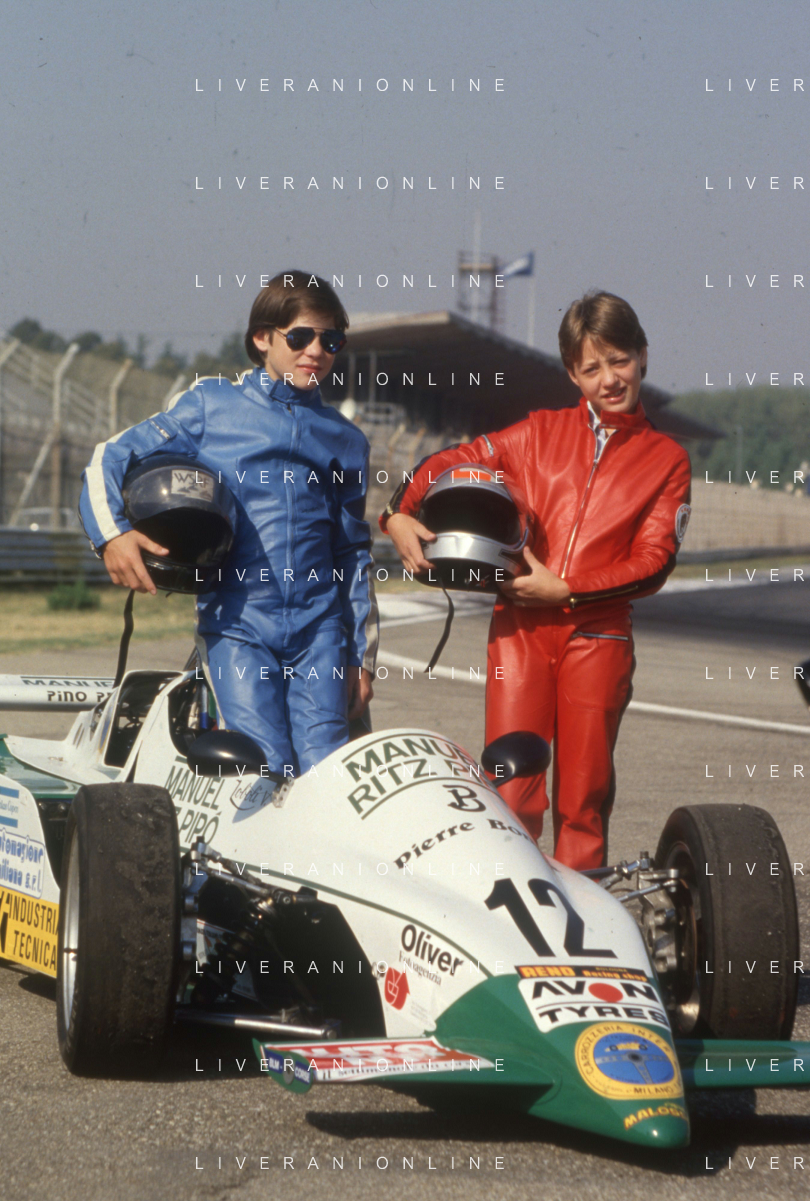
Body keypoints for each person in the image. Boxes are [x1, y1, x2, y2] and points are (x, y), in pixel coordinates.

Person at [381, 292, 691, 870]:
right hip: (520, 631)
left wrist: (568, 591)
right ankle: (511, 901)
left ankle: (581, 912)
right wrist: (398, 512)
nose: (609, 379)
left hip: (597, 637)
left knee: (582, 798)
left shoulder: (667, 458)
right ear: (573, 373)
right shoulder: (537, 433)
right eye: (592, 368)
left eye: (619, 360)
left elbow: (655, 561)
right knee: (510, 785)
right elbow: (457, 458)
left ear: (643, 356)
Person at [79, 270, 377, 777]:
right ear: (262, 338)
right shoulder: (211, 407)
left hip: (321, 631)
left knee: (325, 772)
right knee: (260, 768)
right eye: (300, 337)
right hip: (238, 626)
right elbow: (108, 457)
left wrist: (359, 658)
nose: (316, 351)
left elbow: (351, 554)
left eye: (330, 341)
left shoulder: (346, 440)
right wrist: (112, 535)